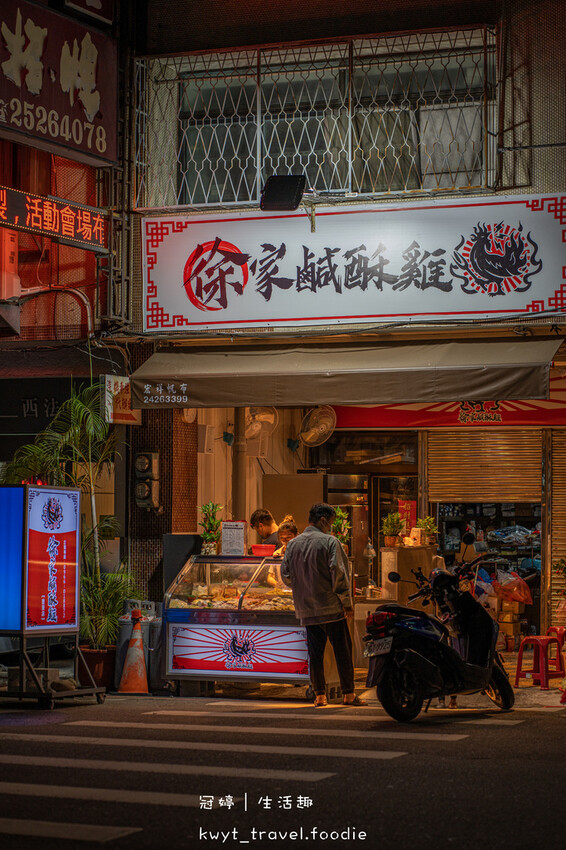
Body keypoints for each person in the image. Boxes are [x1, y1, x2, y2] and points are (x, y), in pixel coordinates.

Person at [281, 502, 366, 708]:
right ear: (323, 520)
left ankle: (320, 696)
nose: (331, 526)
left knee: (315, 654)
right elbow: (339, 574)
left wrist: (302, 588)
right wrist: (347, 603)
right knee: (342, 651)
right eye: (330, 522)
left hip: (306, 609)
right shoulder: (330, 542)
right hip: (331, 608)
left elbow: (285, 576)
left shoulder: (293, 544)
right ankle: (348, 694)